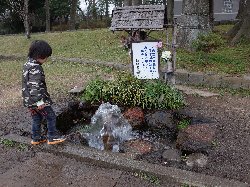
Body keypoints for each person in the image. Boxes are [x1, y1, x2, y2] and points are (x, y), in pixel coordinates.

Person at [22, 40, 66, 145]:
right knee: (50, 116)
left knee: (36, 118)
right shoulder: (36, 68)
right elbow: (35, 86)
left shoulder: (27, 64)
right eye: (46, 57)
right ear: (40, 55)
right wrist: (39, 102)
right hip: (38, 101)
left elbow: (27, 85)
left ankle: (36, 138)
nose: (46, 59)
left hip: (29, 101)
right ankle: (52, 137)